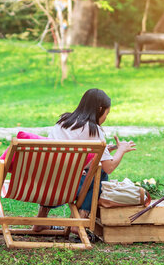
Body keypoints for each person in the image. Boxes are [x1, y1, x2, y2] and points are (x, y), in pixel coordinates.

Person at [33, 88, 136, 235]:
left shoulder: (63, 121)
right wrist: (122, 150)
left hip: (45, 184)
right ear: (100, 110)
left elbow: (66, 156)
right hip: (65, 188)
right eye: (107, 113)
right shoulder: (94, 130)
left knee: (80, 169)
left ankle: (40, 220)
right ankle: (79, 223)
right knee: (99, 171)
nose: (106, 117)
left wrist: (107, 150)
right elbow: (109, 167)